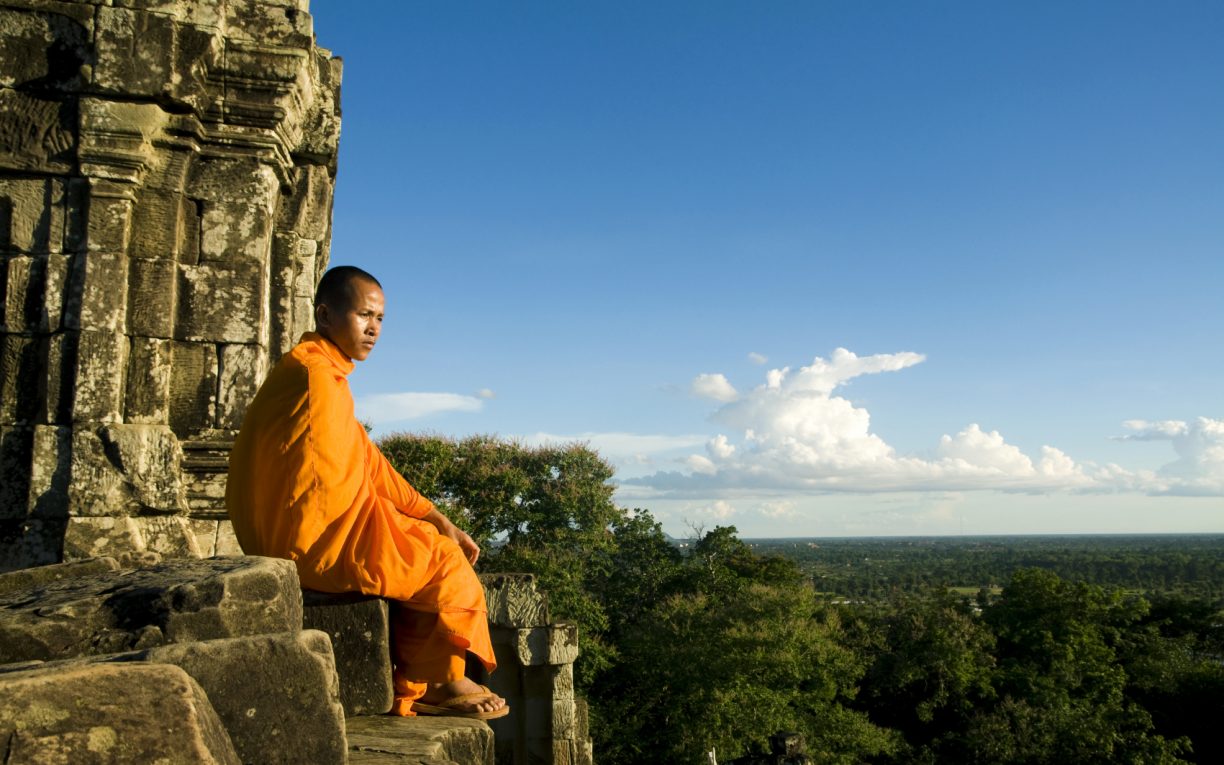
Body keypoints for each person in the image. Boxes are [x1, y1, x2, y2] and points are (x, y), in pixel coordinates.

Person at [226, 265, 507, 719]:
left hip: (291, 533)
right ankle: (439, 683)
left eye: (380, 318)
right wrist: (417, 527)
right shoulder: (313, 376)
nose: (374, 328)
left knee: (427, 541)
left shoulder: (318, 371)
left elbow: (365, 461)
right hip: (310, 542)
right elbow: (334, 480)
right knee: (444, 561)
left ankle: (421, 675)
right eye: (363, 315)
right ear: (326, 314)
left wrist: (435, 516)